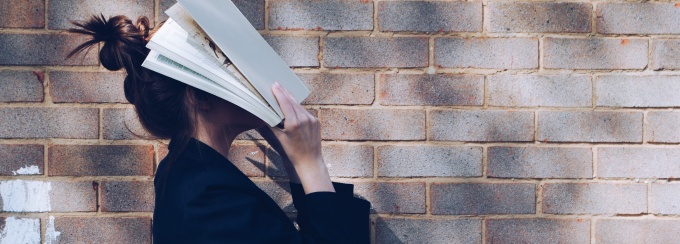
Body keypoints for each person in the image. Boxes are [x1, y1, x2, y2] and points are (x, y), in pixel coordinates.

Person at [67, 14, 371, 243]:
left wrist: (294, 160)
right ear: (198, 96)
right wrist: (311, 163)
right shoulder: (206, 197)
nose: (252, 80)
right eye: (233, 71)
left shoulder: (192, 176)